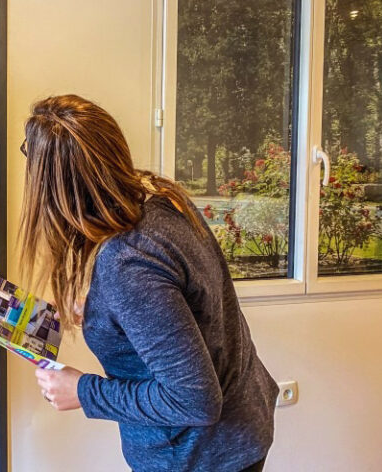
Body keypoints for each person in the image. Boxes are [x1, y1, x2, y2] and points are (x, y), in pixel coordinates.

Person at [19, 95, 279, 472]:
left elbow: (195, 400)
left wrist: (83, 391)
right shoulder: (162, 203)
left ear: (56, 189)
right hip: (239, 429)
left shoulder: (127, 262)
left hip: (202, 456)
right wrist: (97, 308)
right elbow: (187, 308)